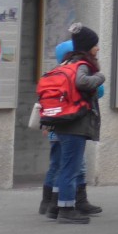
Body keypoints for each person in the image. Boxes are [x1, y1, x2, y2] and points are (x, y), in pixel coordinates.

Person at [39, 37, 104, 218]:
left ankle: (53, 205)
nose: (97, 49)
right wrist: (100, 77)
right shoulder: (79, 68)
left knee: (60, 166)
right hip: (73, 123)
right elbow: (88, 86)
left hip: (58, 123)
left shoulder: (60, 70)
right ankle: (68, 208)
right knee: (72, 168)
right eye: (95, 46)